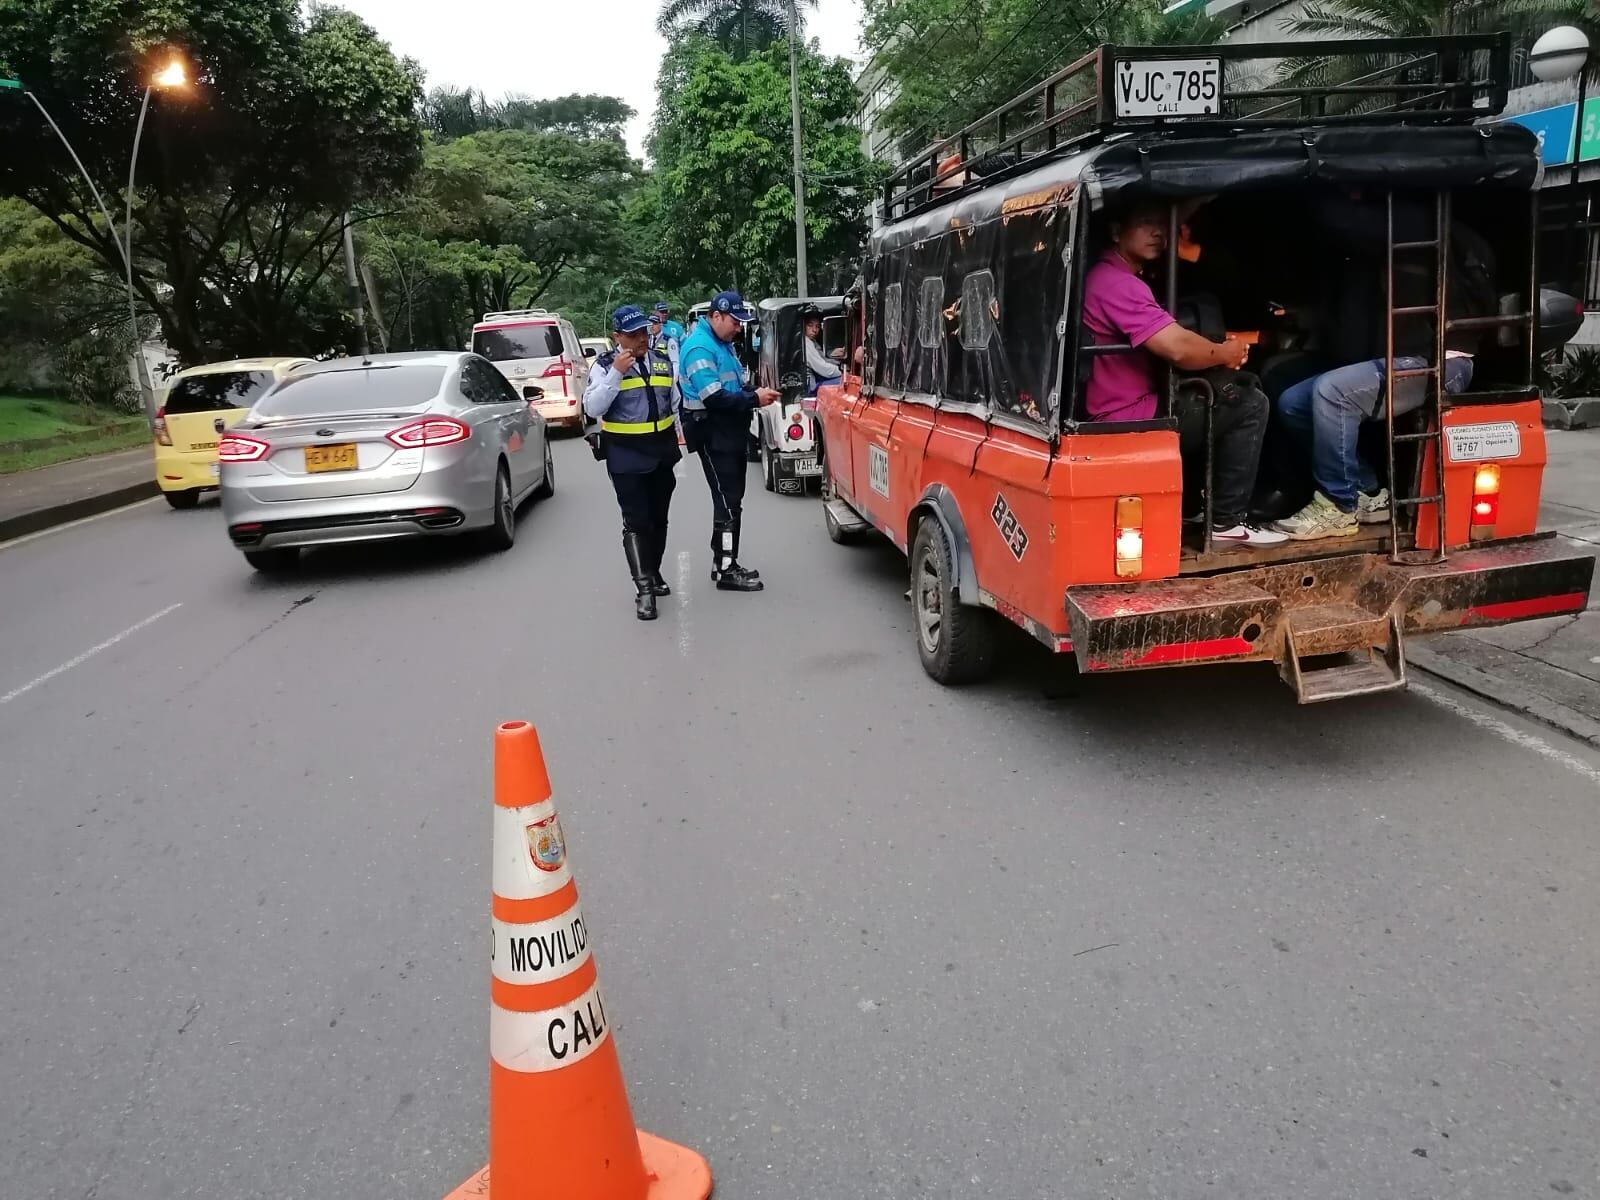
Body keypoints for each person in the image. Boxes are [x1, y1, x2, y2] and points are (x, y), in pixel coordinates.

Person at [1271, 197, 1496, 540]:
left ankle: (1337, 507)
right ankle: (1366, 492)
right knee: (1293, 401)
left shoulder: (1419, 221)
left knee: (1333, 391)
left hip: (1441, 363)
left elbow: (1340, 219)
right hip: (1403, 357)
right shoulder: (1387, 242)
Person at [1082, 201, 1286, 546]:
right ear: (1117, 232)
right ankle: (1225, 522)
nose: (1158, 232)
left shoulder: (1112, 276)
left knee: (1231, 388)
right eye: (1146, 223)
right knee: (1249, 403)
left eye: (1162, 225)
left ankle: (1194, 503)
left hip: (1127, 400)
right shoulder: (1118, 284)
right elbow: (1176, 346)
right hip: (1130, 412)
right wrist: (1223, 351)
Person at [677, 290, 781, 591]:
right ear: (716, 316)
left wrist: (754, 389)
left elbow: (732, 382)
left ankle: (723, 560)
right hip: (712, 431)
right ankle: (726, 570)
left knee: (731, 500)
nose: (739, 328)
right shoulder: (699, 348)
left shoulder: (722, 344)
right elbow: (714, 396)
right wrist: (754, 399)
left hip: (728, 431)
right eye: (735, 322)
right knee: (727, 501)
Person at [582, 305, 680, 620]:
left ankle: (653, 571)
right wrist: (616, 374)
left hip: (662, 452)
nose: (640, 339)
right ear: (617, 337)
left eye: (643, 332)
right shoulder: (605, 366)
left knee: (659, 519)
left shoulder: (663, 362)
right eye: (632, 334)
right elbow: (594, 406)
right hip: (626, 455)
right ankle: (645, 590)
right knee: (637, 522)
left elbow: (673, 404)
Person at [801, 303, 844, 395]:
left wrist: (833, 356)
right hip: (811, 387)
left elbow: (822, 359)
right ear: (803, 326)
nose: (814, 330)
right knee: (846, 382)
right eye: (810, 325)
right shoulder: (806, 342)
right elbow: (824, 369)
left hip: (818, 379)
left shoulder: (812, 341)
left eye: (817, 326)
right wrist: (844, 372)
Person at [651, 302, 686, 371]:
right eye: (662, 312)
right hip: (656, 365)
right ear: (655, 312)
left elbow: (685, 346)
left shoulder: (676, 327)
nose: (664, 314)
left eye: (666, 311)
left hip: (674, 363)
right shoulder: (650, 327)